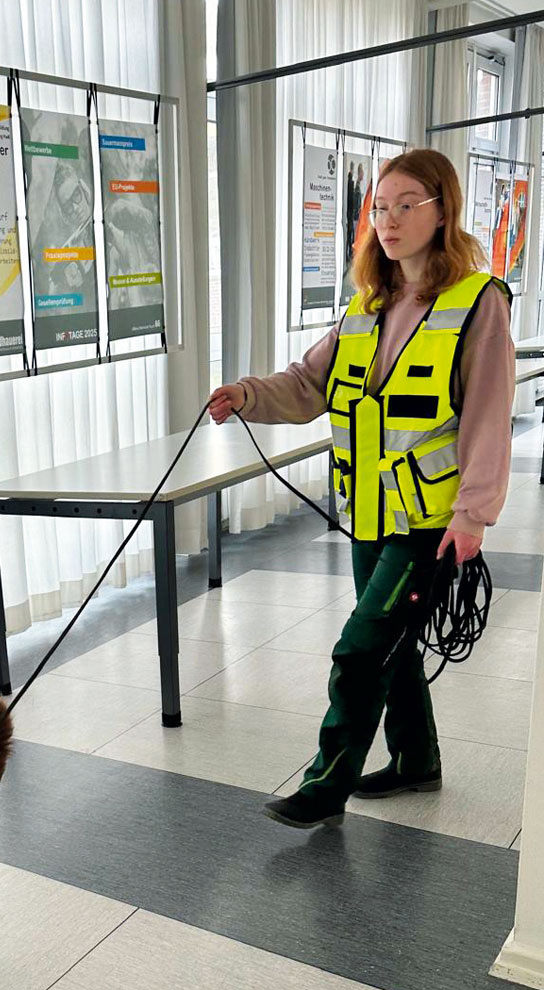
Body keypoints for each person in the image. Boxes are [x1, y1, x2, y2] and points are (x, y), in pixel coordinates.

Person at [208, 148, 515, 830]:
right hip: (369, 514)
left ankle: (325, 784)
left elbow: (490, 413)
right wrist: (247, 394)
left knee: (361, 650)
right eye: (379, 208)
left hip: (429, 520)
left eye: (406, 205)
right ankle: (415, 760)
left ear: (443, 211)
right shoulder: (367, 304)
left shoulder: (478, 302)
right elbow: (308, 384)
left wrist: (474, 514)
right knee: (393, 648)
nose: (389, 220)